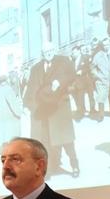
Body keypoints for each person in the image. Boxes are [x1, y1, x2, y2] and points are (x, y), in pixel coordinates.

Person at [23, 43, 79, 177]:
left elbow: (72, 75)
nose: (48, 53)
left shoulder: (63, 61)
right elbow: (31, 87)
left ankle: (74, 165)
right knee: (48, 140)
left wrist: (60, 81)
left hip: (60, 107)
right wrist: (26, 104)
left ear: (55, 50)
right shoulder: (36, 68)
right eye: (46, 51)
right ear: (42, 53)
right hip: (44, 109)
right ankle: (52, 167)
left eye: (51, 50)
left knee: (66, 139)